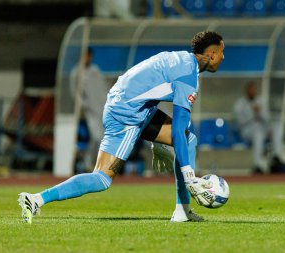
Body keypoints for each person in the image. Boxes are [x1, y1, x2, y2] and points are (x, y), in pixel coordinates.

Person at [18, 31, 225, 223]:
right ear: (212, 54)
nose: (223, 58)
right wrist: (190, 176)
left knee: (189, 140)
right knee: (102, 179)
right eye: (222, 52)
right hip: (127, 116)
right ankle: (36, 199)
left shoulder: (181, 60)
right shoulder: (188, 77)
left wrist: (161, 142)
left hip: (133, 106)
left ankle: (182, 211)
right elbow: (177, 130)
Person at [70, 47, 109, 172]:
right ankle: (88, 163)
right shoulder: (76, 73)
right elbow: (75, 94)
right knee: (96, 137)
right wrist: (84, 106)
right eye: (85, 56)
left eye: (89, 55)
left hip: (102, 110)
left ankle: (98, 164)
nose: (88, 58)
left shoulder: (95, 70)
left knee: (101, 138)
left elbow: (103, 89)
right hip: (89, 113)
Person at [233, 81, 284, 174]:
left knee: (278, 126)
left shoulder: (261, 101)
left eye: (254, 90)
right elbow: (240, 122)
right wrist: (252, 112)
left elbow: (267, 118)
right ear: (247, 91)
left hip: (262, 127)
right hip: (247, 130)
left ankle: (276, 156)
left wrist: (260, 112)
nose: (252, 92)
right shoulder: (240, 103)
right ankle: (257, 165)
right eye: (250, 90)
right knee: (258, 134)